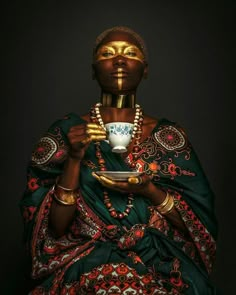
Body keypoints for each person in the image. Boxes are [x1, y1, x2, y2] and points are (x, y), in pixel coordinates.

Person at [20, 26, 218, 294]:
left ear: (145, 69)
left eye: (130, 53)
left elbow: (198, 225)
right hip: (83, 260)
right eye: (108, 53)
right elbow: (55, 229)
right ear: (93, 70)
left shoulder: (168, 137)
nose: (120, 59)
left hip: (155, 260)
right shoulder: (67, 132)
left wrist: (148, 190)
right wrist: (75, 158)